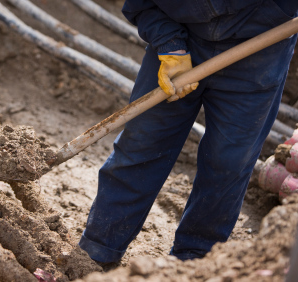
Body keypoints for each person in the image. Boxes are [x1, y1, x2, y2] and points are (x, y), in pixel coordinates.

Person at [79, 0, 298, 262]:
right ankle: (98, 248)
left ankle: (193, 261)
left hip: (261, 49)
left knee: (229, 162)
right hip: (180, 33)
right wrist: (169, 45)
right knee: (143, 143)